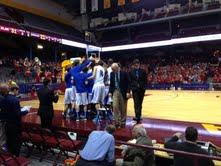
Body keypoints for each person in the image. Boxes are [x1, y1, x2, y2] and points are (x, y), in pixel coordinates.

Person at [2, 84, 28, 156]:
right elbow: (17, 114)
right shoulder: (15, 100)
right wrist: (25, 112)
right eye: (17, 91)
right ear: (15, 90)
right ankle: (16, 157)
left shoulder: (4, 98)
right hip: (15, 124)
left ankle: (9, 156)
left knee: (9, 140)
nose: (18, 92)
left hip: (7, 123)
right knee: (16, 141)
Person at [109, 63, 130, 128]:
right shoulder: (112, 74)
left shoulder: (124, 73)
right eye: (112, 69)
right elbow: (111, 84)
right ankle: (116, 121)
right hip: (115, 91)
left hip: (123, 92)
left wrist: (128, 92)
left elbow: (128, 83)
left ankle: (123, 121)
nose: (113, 71)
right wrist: (110, 91)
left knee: (123, 108)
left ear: (117, 68)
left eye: (114, 69)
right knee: (115, 106)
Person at [129, 59, 147, 123]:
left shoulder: (143, 71)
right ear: (133, 65)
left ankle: (139, 115)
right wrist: (131, 89)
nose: (136, 64)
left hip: (141, 90)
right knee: (136, 103)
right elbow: (130, 81)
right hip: (135, 90)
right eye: (135, 64)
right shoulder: (131, 72)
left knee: (140, 103)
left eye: (137, 63)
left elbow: (145, 80)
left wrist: (144, 87)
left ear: (139, 64)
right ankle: (137, 116)